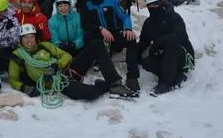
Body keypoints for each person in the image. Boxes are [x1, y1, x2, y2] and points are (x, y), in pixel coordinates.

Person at [8, 24, 136, 100]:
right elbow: (13, 79)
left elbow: (66, 56)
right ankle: (104, 86)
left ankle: (114, 83)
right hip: (56, 83)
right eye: (25, 37)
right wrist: (24, 88)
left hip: (68, 70)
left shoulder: (45, 45)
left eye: (31, 37)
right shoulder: (17, 56)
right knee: (90, 94)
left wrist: (56, 65)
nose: (29, 40)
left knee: (96, 44)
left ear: (36, 38)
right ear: (21, 40)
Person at [79, 0, 141, 92]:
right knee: (88, 36)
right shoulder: (87, 4)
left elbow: (124, 17)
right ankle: (98, 58)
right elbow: (86, 24)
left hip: (114, 36)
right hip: (99, 39)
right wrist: (101, 29)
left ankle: (132, 77)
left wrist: (128, 29)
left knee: (131, 39)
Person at [138, 0, 195, 96]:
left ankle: (165, 83)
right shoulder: (148, 23)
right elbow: (143, 41)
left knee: (171, 42)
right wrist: (133, 51)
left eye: (155, 3)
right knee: (147, 62)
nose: (153, 7)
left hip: (183, 55)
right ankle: (177, 76)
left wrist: (158, 42)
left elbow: (180, 35)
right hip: (164, 56)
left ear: (161, 3)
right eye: (150, 5)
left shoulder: (174, 17)